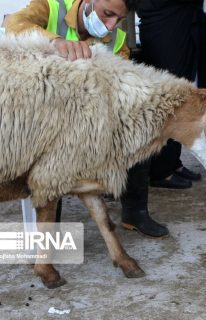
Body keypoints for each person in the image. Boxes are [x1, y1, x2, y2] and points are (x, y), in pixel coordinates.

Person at [5, 0, 169, 237]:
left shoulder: (117, 39)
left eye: (118, 20)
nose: (111, 26)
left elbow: (124, 80)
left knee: (141, 135)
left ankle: (135, 212)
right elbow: (13, 23)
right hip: (43, 112)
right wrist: (55, 42)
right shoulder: (52, 6)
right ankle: (49, 233)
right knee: (54, 158)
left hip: (87, 117)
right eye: (107, 14)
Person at [136, 0, 206, 190]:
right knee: (168, 98)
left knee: (181, 97)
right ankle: (161, 170)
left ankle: (172, 162)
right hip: (164, 27)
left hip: (180, 23)